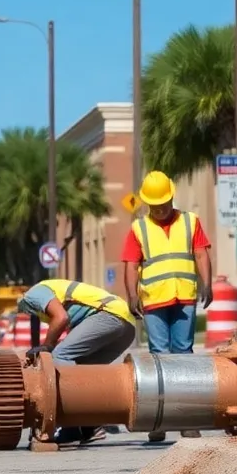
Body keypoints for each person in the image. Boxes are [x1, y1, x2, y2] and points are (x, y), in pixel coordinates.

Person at [121, 170, 213, 444]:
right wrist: (131, 294)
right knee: (158, 356)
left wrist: (207, 283)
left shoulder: (190, 221)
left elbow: (201, 253)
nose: (159, 209)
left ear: (171, 197)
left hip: (184, 297)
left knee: (183, 354)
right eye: (154, 205)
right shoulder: (139, 228)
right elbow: (130, 264)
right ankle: (158, 421)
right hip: (153, 299)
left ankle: (186, 421)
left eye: (163, 203)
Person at [16, 278, 138, 446]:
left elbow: (61, 318)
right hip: (126, 326)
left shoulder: (33, 295)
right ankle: (90, 426)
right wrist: (41, 349)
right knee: (81, 371)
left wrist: (47, 347)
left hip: (108, 315)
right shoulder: (46, 301)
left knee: (61, 355)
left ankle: (70, 427)